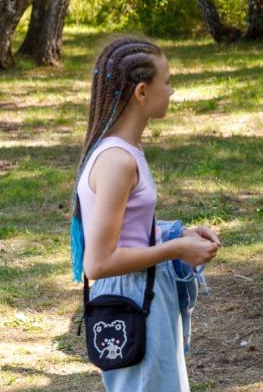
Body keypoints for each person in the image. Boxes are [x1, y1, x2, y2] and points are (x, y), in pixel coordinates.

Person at [70, 37, 221, 391]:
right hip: (133, 298)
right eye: (166, 82)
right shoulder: (117, 161)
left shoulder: (126, 150)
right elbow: (99, 262)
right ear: (141, 91)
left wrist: (178, 236)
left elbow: (128, 231)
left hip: (144, 291)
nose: (171, 91)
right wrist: (176, 251)